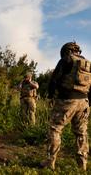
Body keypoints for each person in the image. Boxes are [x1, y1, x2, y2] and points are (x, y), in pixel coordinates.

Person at [40, 42, 91, 170]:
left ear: (66, 50)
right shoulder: (88, 64)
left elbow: (54, 79)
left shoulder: (66, 59)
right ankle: (82, 164)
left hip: (67, 101)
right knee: (81, 133)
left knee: (55, 129)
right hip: (84, 102)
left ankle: (50, 162)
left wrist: (51, 96)